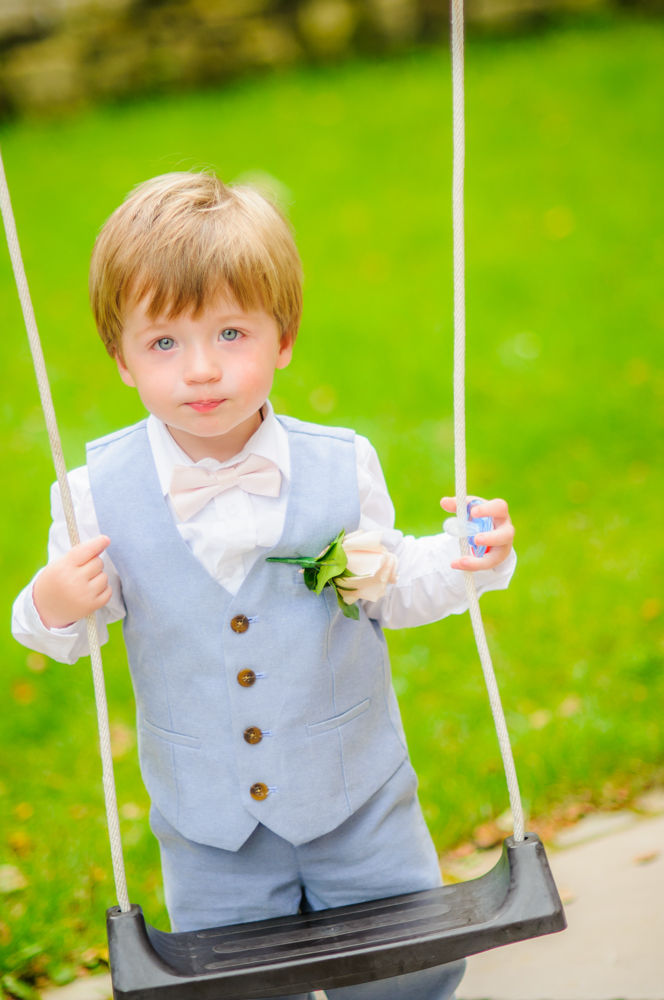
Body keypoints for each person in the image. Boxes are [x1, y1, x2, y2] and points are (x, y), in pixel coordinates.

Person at [12, 171, 516, 1000]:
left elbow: (387, 582)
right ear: (122, 359)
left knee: (409, 976)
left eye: (232, 334)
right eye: (165, 343)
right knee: (239, 991)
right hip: (211, 835)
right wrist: (55, 602)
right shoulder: (93, 494)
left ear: (283, 339)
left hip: (359, 806)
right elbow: (60, 633)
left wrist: (471, 560)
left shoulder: (339, 462)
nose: (202, 370)